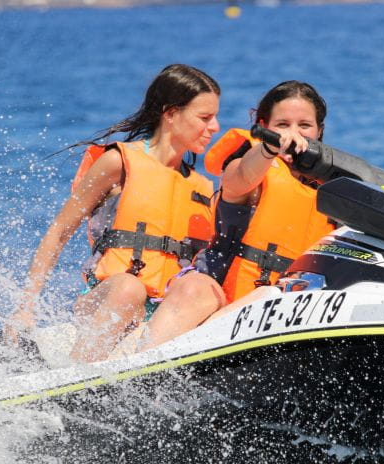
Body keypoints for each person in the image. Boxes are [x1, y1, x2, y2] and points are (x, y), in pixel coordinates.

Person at [3, 64, 220, 362]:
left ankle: (144, 369)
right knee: (129, 289)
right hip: (108, 297)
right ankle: (77, 377)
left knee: (203, 287)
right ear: (170, 114)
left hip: (161, 309)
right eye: (205, 118)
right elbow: (59, 231)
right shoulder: (117, 163)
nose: (215, 127)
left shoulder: (202, 186)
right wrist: (25, 307)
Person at [140, 80, 336, 349]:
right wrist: (270, 148)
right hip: (211, 297)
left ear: (319, 130)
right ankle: (133, 368)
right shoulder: (246, 167)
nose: (294, 134)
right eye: (282, 125)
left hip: (272, 315)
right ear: (264, 126)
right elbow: (238, 180)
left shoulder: (333, 195)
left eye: (304, 125)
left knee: (268, 296)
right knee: (196, 289)